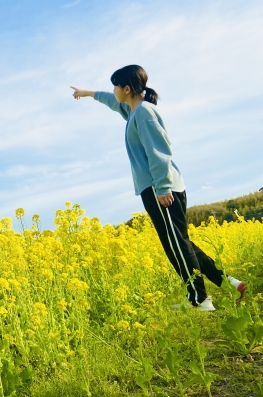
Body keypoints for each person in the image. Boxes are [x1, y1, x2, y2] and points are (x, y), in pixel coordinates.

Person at [70, 65, 247, 311]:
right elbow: (111, 101)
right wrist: (87, 93)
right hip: (159, 186)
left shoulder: (143, 113)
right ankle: (228, 283)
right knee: (181, 241)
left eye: (116, 85)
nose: (114, 90)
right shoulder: (133, 111)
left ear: (128, 88)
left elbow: (159, 150)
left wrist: (162, 187)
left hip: (160, 188)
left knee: (175, 245)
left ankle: (199, 299)